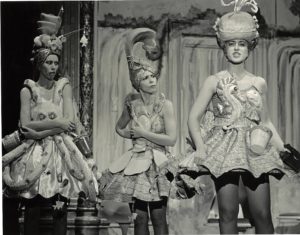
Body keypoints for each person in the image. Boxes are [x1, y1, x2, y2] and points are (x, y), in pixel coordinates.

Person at [183, 0, 295, 234]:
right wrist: (201, 148)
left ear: (250, 47)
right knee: (227, 213)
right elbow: (193, 117)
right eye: (231, 43)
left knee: (262, 214)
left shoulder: (258, 82)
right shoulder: (213, 81)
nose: (236, 48)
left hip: (255, 149)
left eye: (241, 44)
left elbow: (265, 121)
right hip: (224, 150)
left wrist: (283, 148)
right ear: (223, 47)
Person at [2, 10, 98, 235]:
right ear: (39, 63)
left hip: (61, 155)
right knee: (33, 209)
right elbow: (26, 126)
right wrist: (56, 126)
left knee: (60, 210)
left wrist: (46, 127)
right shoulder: (28, 90)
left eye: (56, 62)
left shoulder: (63, 86)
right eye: (49, 62)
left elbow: (70, 122)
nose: (53, 67)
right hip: (34, 154)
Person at [99, 28, 177, 235]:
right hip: (137, 164)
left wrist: (144, 134)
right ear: (137, 83)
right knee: (139, 218)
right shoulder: (132, 104)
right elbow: (119, 127)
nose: (152, 80)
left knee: (159, 216)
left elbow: (171, 139)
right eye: (146, 78)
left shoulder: (165, 105)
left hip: (158, 164)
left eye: (154, 76)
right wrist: (130, 136)